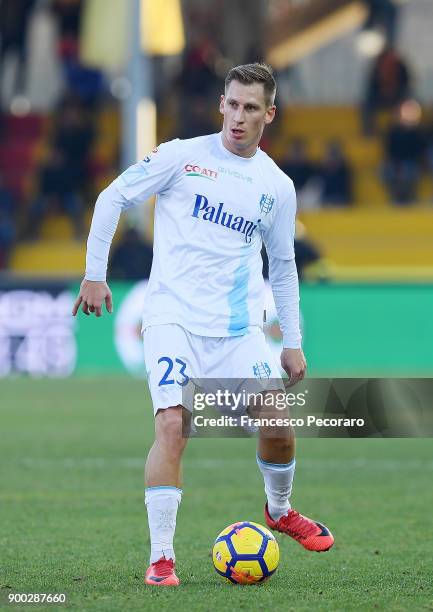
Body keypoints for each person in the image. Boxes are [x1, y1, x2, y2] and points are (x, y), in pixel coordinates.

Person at [72, 63, 334, 587]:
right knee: (173, 424)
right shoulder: (180, 156)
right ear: (221, 104)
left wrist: (294, 342)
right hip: (173, 320)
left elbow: (282, 266)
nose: (239, 117)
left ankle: (279, 511)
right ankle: (162, 558)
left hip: (239, 330)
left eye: (251, 108)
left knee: (279, 427)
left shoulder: (276, 187)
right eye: (232, 104)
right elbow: (112, 198)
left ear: (270, 115)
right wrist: (94, 275)